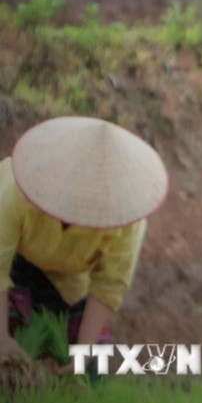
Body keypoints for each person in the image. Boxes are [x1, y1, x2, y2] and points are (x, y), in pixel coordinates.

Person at [0, 116, 168, 365]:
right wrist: (2, 341)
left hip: (70, 279)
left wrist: (83, 356)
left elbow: (109, 286)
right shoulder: (17, 189)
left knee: (93, 358)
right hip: (15, 260)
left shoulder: (127, 220)